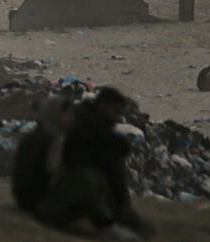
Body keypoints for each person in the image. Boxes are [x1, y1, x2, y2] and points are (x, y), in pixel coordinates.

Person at [13, 87, 149, 236]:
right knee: (89, 179)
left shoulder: (55, 134)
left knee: (94, 181)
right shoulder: (45, 139)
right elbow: (38, 175)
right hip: (35, 201)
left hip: (41, 196)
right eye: (115, 112)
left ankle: (112, 221)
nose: (117, 119)